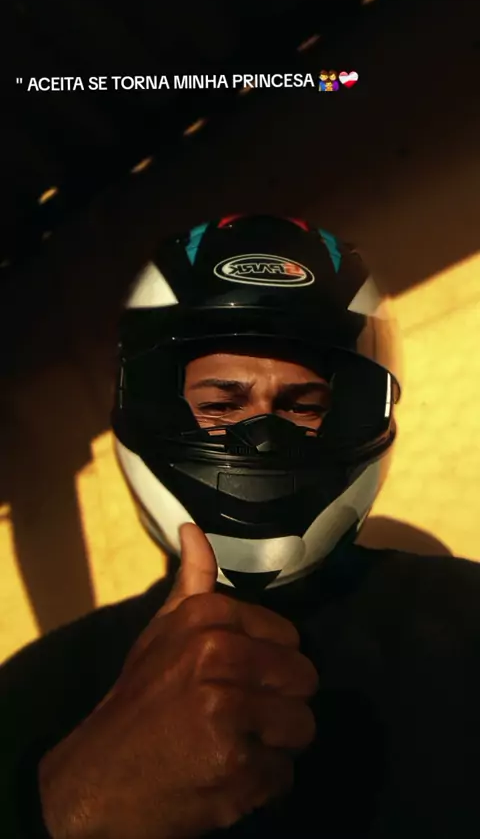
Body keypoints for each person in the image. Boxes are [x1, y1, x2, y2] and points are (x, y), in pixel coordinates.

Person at [2, 214, 480, 839]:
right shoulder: (40, 690)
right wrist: (71, 805)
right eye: (223, 405)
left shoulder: (462, 618)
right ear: (158, 407)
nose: (262, 440)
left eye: (301, 407)